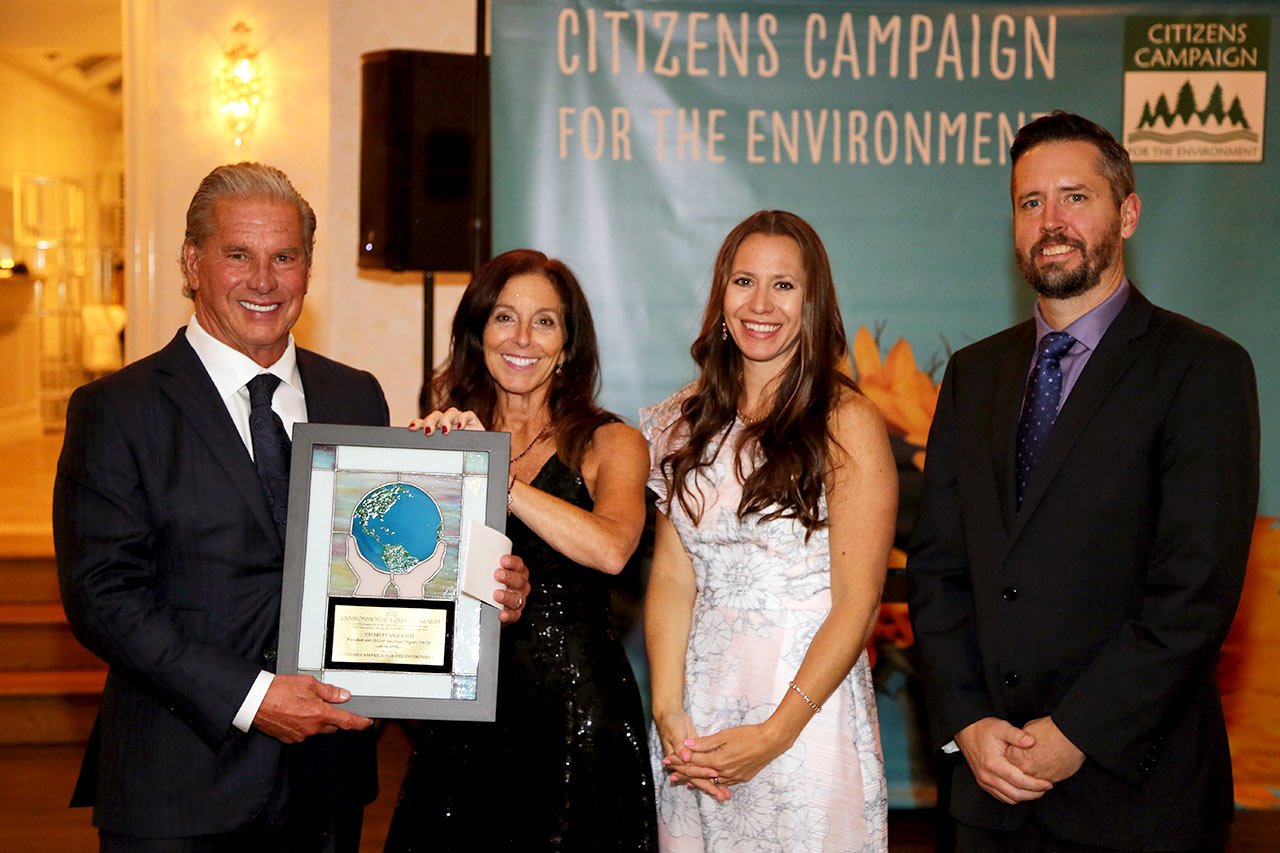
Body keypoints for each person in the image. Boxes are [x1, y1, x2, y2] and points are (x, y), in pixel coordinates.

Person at [53, 162, 531, 852]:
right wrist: (253, 697)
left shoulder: (355, 395)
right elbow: (104, 598)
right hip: (178, 784)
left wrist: (479, 584)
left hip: (325, 783)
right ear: (193, 262)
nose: (263, 280)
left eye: (285, 257)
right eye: (238, 255)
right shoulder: (116, 410)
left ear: (308, 267)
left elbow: (381, 543)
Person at [908, 111, 1260, 851]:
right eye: (1030, 202)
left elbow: (1193, 591)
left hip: (1137, 796)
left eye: (1076, 196)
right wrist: (968, 722)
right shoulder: (974, 375)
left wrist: (1077, 733)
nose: (1051, 220)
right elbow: (939, 570)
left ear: (1127, 213)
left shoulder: (1202, 368)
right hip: (988, 791)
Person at [384, 249, 658, 851]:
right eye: (505, 317)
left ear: (567, 344)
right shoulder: (443, 436)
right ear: (478, 332)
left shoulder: (613, 442)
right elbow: (404, 582)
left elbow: (613, 548)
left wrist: (495, 477)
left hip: (577, 715)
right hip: (462, 719)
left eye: (545, 321)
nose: (523, 338)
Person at [643, 210, 897, 851]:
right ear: (720, 295)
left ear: (812, 303)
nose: (761, 304)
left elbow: (859, 601)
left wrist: (777, 732)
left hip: (806, 715)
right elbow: (674, 577)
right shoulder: (680, 419)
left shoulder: (846, 421)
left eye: (784, 286)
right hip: (695, 719)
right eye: (743, 281)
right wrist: (669, 708)